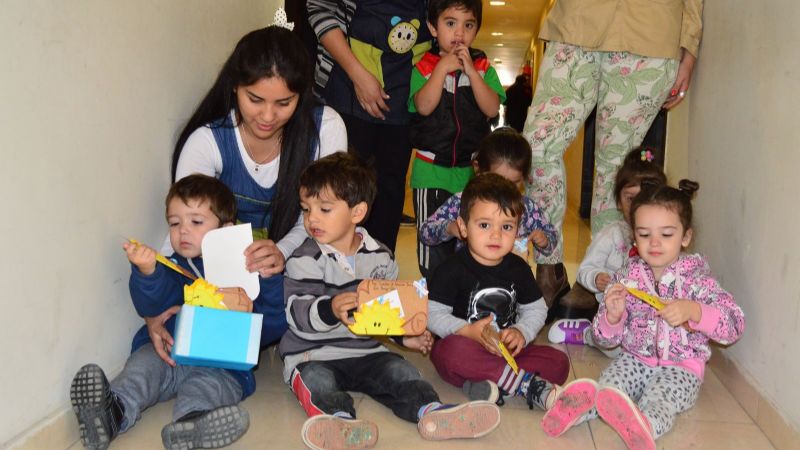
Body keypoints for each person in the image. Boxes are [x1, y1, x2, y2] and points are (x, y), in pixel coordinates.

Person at [278, 153, 501, 450]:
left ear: (357, 212)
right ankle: (339, 423)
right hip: (314, 353)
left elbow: (386, 311)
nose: (311, 218)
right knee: (317, 382)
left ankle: (432, 412)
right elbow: (297, 314)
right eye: (306, 209)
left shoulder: (380, 256)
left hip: (367, 350)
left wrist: (403, 336)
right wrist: (330, 309)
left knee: (400, 371)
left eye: (324, 208)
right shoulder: (304, 258)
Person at [161, 25, 346, 353]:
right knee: (188, 315)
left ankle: (226, 345)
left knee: (321, 288)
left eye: (284, 103)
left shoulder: (325, 127)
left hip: (295, 261)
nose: (268, 116)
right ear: (234, 87)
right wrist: (156, 307)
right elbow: (183, 223)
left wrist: (282, 251)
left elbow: (329, 216)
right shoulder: (208, 141)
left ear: (301, 96)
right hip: (227, 277)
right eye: (255, 99)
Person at [523, 0, 704, 313]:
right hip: (577, 23)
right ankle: (549, 267)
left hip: (651, 33)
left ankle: (600, 279)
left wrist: (689, 46)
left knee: (616, 172)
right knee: (537, 148)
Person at [540, 180, 745, 450]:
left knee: (661, 400)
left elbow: (734, 323)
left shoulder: (698, 280)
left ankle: (644, 426)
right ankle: (575, 410)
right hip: (634, 358)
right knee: (610, 388)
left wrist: (694, 311)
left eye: (667, 234)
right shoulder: (627, 277)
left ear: (685, 237)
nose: (655, 243)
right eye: (645, 234)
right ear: (634, 237)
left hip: (681, 368)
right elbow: (605, 339)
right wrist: (612, 318)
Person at [70, 175, 257, 450]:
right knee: (142, 369)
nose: (183, 231)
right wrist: (148, 273)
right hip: (167, 352)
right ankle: (112, 411)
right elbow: (150, 305)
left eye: (196, 222)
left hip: (220, 365)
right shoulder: (170, 267)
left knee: (207, 388)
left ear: (226, 229)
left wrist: (267, 280)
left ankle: (191, 425)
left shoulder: (247, 271)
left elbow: (271, 319)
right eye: (174, 223)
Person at [426, 173, 570, 412]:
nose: (496, 235)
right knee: (447, 353)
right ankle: (524, 384)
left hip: (506, 354)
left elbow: (536, 308)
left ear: (517, 229)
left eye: (506, 227)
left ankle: (488, 383)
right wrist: (466, 331)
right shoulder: (451, 269)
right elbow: (432, 313)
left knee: (559, 363)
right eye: (484, 225)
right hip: (466, 347)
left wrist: (521, 332)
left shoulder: (518, 268)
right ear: (463, 227)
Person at [307, 0, 432, 252]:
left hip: (404, 98)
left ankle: (379, 277)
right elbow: (320, 8)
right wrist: (358, 74)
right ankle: (331, 278)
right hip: (345, 87)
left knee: (389, 191)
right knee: (338, 187)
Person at [409, 0, 504, 277]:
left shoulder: (483, 66)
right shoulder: (423, 66)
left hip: (468, 173)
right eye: (450, 23)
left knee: (467, 241)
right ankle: (433, 295)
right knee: (432, 242)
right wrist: (441, 69)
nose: (459, 33)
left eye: (468, 25)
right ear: (432, 27)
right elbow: (424, 106)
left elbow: (490, 108)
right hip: (430, 173)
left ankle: (461, 299)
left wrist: (472, 72)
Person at [549, 147, 667, 339]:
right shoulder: (611, 235)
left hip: (650, 315)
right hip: (614, 313)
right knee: (616, 343)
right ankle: (587, 335)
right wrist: (596, 278)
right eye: (631, 198)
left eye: (647, 197)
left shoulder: (665, 237)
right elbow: (585, 269)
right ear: (619, 202)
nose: (638, 205)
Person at [419, 128, 556, 274]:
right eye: (496, 180)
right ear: (478, 169)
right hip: (468, 278)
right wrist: (449, 228)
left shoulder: (526, 207)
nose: (504, 189)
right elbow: (425, 233)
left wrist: (544, 240)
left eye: (513, 183)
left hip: (512, 279)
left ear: (524, 178)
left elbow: (551, 241)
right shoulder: (462, 201)